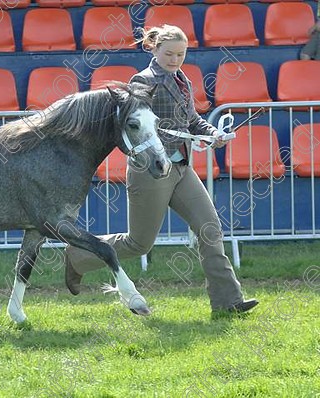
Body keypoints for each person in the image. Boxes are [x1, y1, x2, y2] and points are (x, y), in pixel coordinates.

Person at [64, 25, 259, 315]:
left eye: (180, 54)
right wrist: (180, 136)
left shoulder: (183, 79)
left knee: (210, 229)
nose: (175, 59)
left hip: (180, 167)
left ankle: (228, 302)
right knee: (139, 243)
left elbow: (191, 119)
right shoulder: (142, 80)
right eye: (169, 54)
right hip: (151, 170)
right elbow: (141, 125)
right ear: (154, 49)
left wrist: (211, 133)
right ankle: (78, 253)